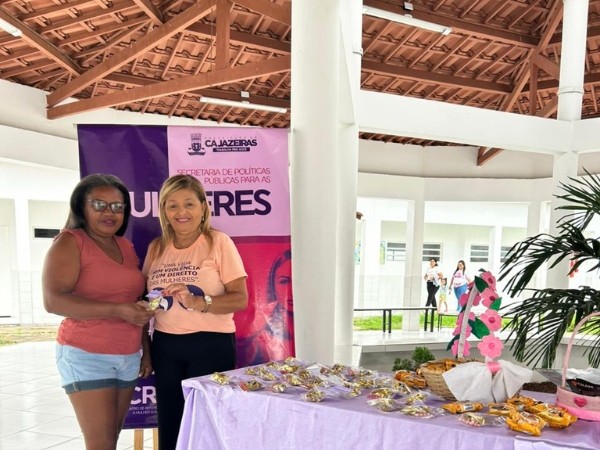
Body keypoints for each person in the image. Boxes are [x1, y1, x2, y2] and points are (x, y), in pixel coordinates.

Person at [42, 174, 155, 450]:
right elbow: (53, 301)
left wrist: (145, 350)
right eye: (99, 205)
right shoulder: (70, 242)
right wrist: (117, 310)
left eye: (117, 206)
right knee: (101, 444)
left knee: (111, 438)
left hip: (128, 356)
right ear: (81, 207)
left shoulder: (124, 245)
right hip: (87, 354)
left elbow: (133, 302)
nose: (109, 212)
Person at [143, 174, 248, 450]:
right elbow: (148, 301)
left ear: (203, 207)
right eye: (172, 205)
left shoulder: (218, 242)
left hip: (210, 344)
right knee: (171, 425)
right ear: (164, 211)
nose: (181, 212)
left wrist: (199, 302)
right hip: (165, 345)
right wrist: (146, 312)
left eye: (189, 204)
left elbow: (240, 299)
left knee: (207, 426)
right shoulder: (156, 248)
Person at [238, 248, 294, 366]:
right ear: (273, 285)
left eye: (297, 282)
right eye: (284, 282)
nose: (291, 290)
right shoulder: (260, 332)